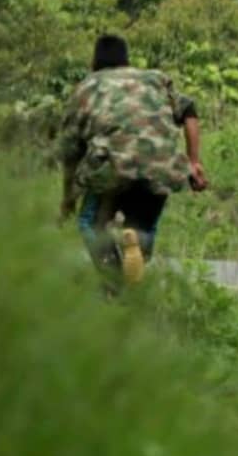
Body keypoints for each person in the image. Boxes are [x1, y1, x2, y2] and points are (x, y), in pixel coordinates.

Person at [58, 35, 207, 289]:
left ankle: (114, 285)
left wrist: (68, 198)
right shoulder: (155, 78)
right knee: (142, 228)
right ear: (126, 58)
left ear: (95, 60)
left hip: (112, 167)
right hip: (161, 166)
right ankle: (136, 244)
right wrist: (194, 161)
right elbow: (190, 112)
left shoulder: (87, 87)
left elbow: (70, 149)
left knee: (89, 224)